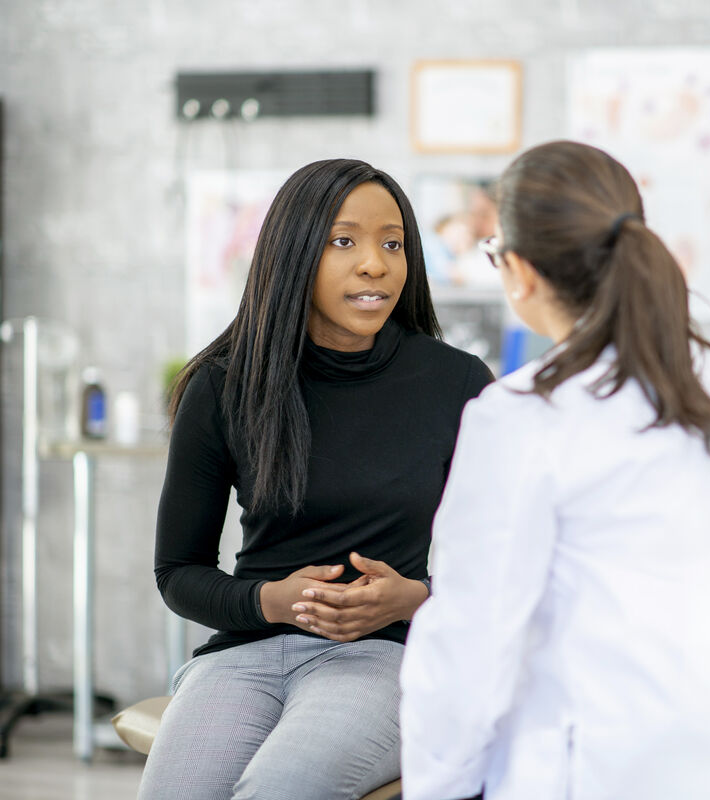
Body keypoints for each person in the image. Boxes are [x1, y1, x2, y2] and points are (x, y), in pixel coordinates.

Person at [398, 141, 710, 800]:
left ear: (519, 272)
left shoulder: (524, 415)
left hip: (594, 770)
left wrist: (437, 786)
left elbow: (471, 641)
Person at [140, 158, 493, 800]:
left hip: (383, 657)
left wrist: (414, 598)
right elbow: (177, 572)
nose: (374, 264)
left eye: (393, 243)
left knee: (280, 789)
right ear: (296, 253)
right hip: (243, 655)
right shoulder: (223, 384)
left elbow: (509, 566)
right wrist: (270, 601)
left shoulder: (458, 383)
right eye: (344, 240)